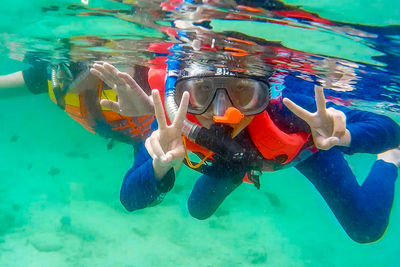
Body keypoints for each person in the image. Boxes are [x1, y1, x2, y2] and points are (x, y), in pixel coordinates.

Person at [91, 60, 400, 244]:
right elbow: (129, 199)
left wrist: (344, 136)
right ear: (183, 94)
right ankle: (242, 171)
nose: (223, 113)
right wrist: (158, 168)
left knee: (366, 228)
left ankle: (392, 161)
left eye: (242, 92)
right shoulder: (174, 123)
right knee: (198, 209)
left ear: (265, 92)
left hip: (307, 152)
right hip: (233, 165)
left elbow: (388, 128)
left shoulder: (289, 104)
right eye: (203, 93)